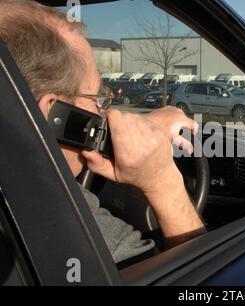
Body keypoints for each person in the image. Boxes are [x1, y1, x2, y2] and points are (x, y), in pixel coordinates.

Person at [0, 0, 205, 263]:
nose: (104, 113)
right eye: (97, 98)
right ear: (52, 113)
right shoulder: (69, 225)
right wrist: (164, 182)